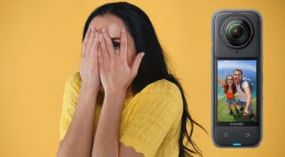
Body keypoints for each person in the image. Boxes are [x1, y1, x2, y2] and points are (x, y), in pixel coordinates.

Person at [57, 2, 204, 157]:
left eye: (114, 44)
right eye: (93, 44)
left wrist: (114, 93)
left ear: (140, 52)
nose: (100, 54)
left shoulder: (164, 94)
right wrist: (88, 89)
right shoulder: (78, 85)